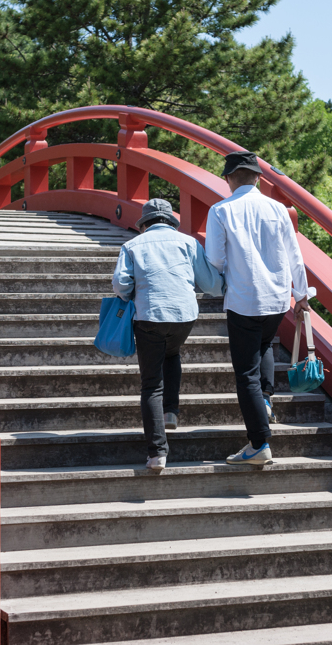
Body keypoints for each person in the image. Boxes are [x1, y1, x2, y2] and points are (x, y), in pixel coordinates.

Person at [205, 151, 310, 466]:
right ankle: (264, 400)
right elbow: (295, 255)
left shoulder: (221, 211)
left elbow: (215, 260)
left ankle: (258, 443)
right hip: (277, 299)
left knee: (245, 373)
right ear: (258, 178)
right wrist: (301, 295)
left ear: (228, 179)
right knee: (265, 345)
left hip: (244, 299)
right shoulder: (278, 209)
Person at [112, 198, 225, 471]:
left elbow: (120, 284)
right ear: (171, 222)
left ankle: (157, 454)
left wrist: (131, 294)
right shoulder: (188, 243)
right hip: (184, 316)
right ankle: (170, 411)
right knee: (172, 352)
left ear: (144, 225)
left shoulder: (131, 246)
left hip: (149, 317)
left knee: (151, 384)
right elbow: (210, 284)